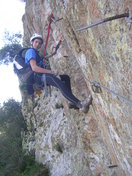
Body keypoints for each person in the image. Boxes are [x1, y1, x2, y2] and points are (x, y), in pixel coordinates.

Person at [25, 33, 92, 112]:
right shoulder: (30, 52)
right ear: (32, 42)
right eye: (36, 42)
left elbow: (51, 54)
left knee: (65, 78)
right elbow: (34, 68)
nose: (38, 44)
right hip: (40, 77)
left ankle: (72, 101)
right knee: (60, 84)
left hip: (42, 76)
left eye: (39, 43)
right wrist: (49, 71)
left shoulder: (36, 54)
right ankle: (80, 104)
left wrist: (59, 43)